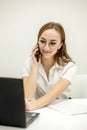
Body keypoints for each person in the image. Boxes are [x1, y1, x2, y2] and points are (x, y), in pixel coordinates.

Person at [22, 22, 77, 111]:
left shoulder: (69, 66)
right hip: (39, 109)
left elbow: (53, 95)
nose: (46, 48)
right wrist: (35, 66)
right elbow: (28, 96)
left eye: (52, 43)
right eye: (42, 41)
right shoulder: (28, 63)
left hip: (62, 109)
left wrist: (31, 106)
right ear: (37, 42)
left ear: (60, 45)